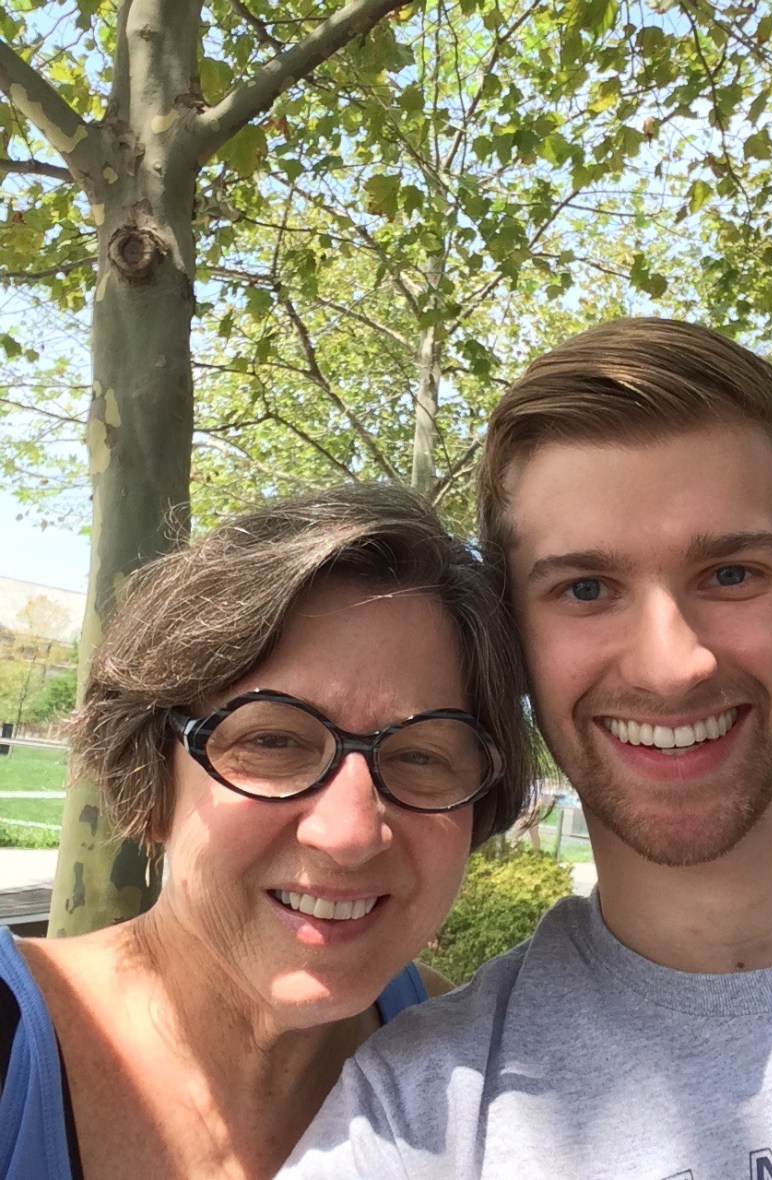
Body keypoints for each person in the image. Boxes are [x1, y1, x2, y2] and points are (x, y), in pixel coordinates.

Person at [284, 318, 772, 1180]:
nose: (671, 666)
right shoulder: (419, 1117)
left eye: (729, 575)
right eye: (586, 589)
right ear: (513, 640)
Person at [0, 483, 534, 1179]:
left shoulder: (453, 1057)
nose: (348, 834)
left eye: (420, 757)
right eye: (274, 742)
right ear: (152, 775)